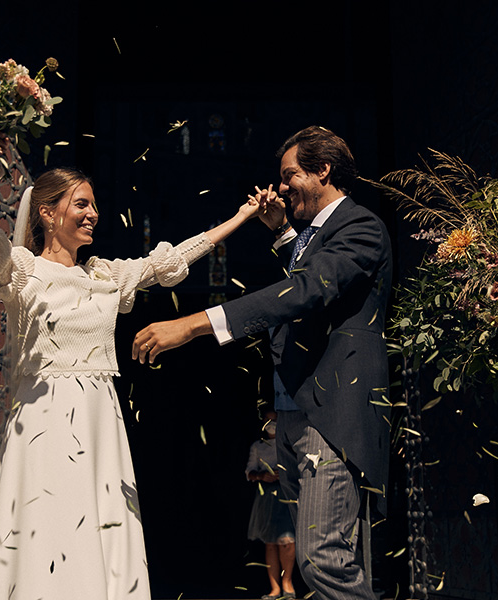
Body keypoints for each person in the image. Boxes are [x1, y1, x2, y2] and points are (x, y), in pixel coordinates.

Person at [0, 131, 260, 600]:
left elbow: (174, 258)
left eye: (95, 205)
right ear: (47, 212)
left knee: (94, 516)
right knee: (43, 516)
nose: (93, 214)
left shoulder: (104, 276)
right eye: (81, 204)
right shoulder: (23, 270)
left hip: (99, 418)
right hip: (42, 418)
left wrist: (241, 217)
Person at [131, 126, 392, 599]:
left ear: (323, 170)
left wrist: (193, 325)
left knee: (322, 560)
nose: (283, 185)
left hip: (331, 417)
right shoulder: (317, 234)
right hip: (294, 415)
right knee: (312, 553)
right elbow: (309, 271)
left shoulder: (361, 226)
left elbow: (309, 289)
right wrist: (281, 232)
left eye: (290, 175)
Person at [245, 410, 297, 600]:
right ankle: (274, 588)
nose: (271, 424)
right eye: (267, 421)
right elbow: (249, 471)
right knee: (270, 543)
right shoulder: (258, 446)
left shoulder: (288, 444)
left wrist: (283, 473)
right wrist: (261, 476)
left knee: (288, 540)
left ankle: (287, 582)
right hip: (266, 495)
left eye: (274, 421)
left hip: (286, 493)